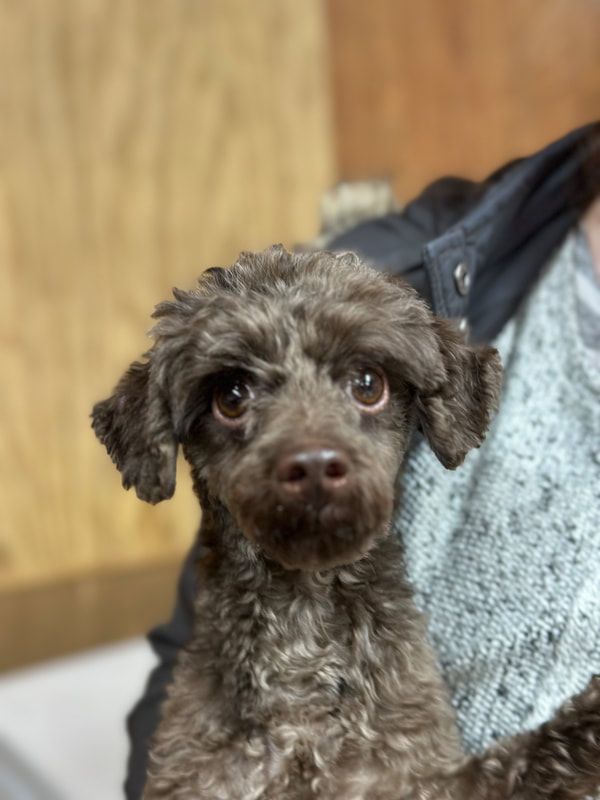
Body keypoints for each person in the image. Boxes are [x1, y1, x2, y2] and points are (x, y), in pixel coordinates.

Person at [124, 122, 600, 800]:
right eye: (235, 397)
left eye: (366, 385)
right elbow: (176, 652)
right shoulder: (400, 255)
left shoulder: (402, 704)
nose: (312, 448)